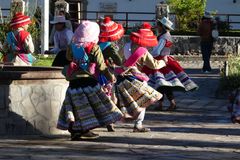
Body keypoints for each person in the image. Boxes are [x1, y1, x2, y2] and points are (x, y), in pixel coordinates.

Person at [57, 21, 123, 140]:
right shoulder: (94, 48)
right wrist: (110, 77)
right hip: (89, 82)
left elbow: (68, 58)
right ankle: (85, 129)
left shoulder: (72, 46)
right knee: (91, 107)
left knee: (76, 107)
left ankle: (76, 131)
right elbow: (101, 66)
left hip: (74, 82)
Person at [114, 25, 168, 132]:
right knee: (143, 100)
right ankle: (138, 124)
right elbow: (154, 65)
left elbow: (117, 60)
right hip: (136, 79)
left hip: (122, 78)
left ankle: (113, 121)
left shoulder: (125, 46)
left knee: (122, 101)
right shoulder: (143, 51)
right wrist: (164, 61)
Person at [142, 18, 198, 111]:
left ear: (162, 26)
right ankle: (164, 104)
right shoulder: (167, 35)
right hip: (166, 59)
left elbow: (157, 51)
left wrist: (148, 56)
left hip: (160, 62)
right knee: (162, 84)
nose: (157, 27)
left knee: (162, 84)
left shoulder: (163, 37)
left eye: (158, 25)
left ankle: (169, 103)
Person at [98, 17, 125, 132]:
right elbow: (119, 61)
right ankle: (110, 121)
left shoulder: (96, 43)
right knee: (111, 96)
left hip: (96, 72)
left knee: (101, 95)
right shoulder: (111, 47)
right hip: (108, 72)